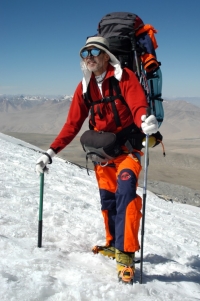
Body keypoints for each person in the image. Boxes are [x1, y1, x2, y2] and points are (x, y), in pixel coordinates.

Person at [35, 36, 158, 284]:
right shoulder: (84, 87)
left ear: (105, 55)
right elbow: (72, 125)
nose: (88, 56)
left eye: (94, 51)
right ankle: (114, 243)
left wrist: (145, 119)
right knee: (109, 201)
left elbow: (137, 105)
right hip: (102, 156)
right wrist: (50, 152)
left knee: (126, 194)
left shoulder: (124, 77)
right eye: (84, 53)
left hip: (127, 153)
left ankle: (126, 256)